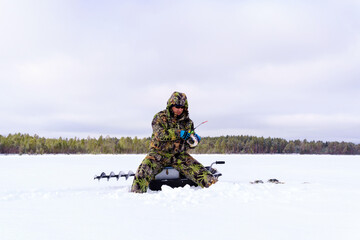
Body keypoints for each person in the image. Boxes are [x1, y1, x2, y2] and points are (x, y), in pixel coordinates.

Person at [131, 91, 218, 193]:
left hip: (178, 155)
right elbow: (159, 135)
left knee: (204, 175)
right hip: (158, 154)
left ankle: (217, 192)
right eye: (177, 106)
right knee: (142, 173)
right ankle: (136, 198)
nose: (179, 110)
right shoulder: (160, 117)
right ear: (171, 105)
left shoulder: (188, 122)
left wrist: (194, 141)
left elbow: (189, 144)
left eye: (182, 107)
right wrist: (178, 133)